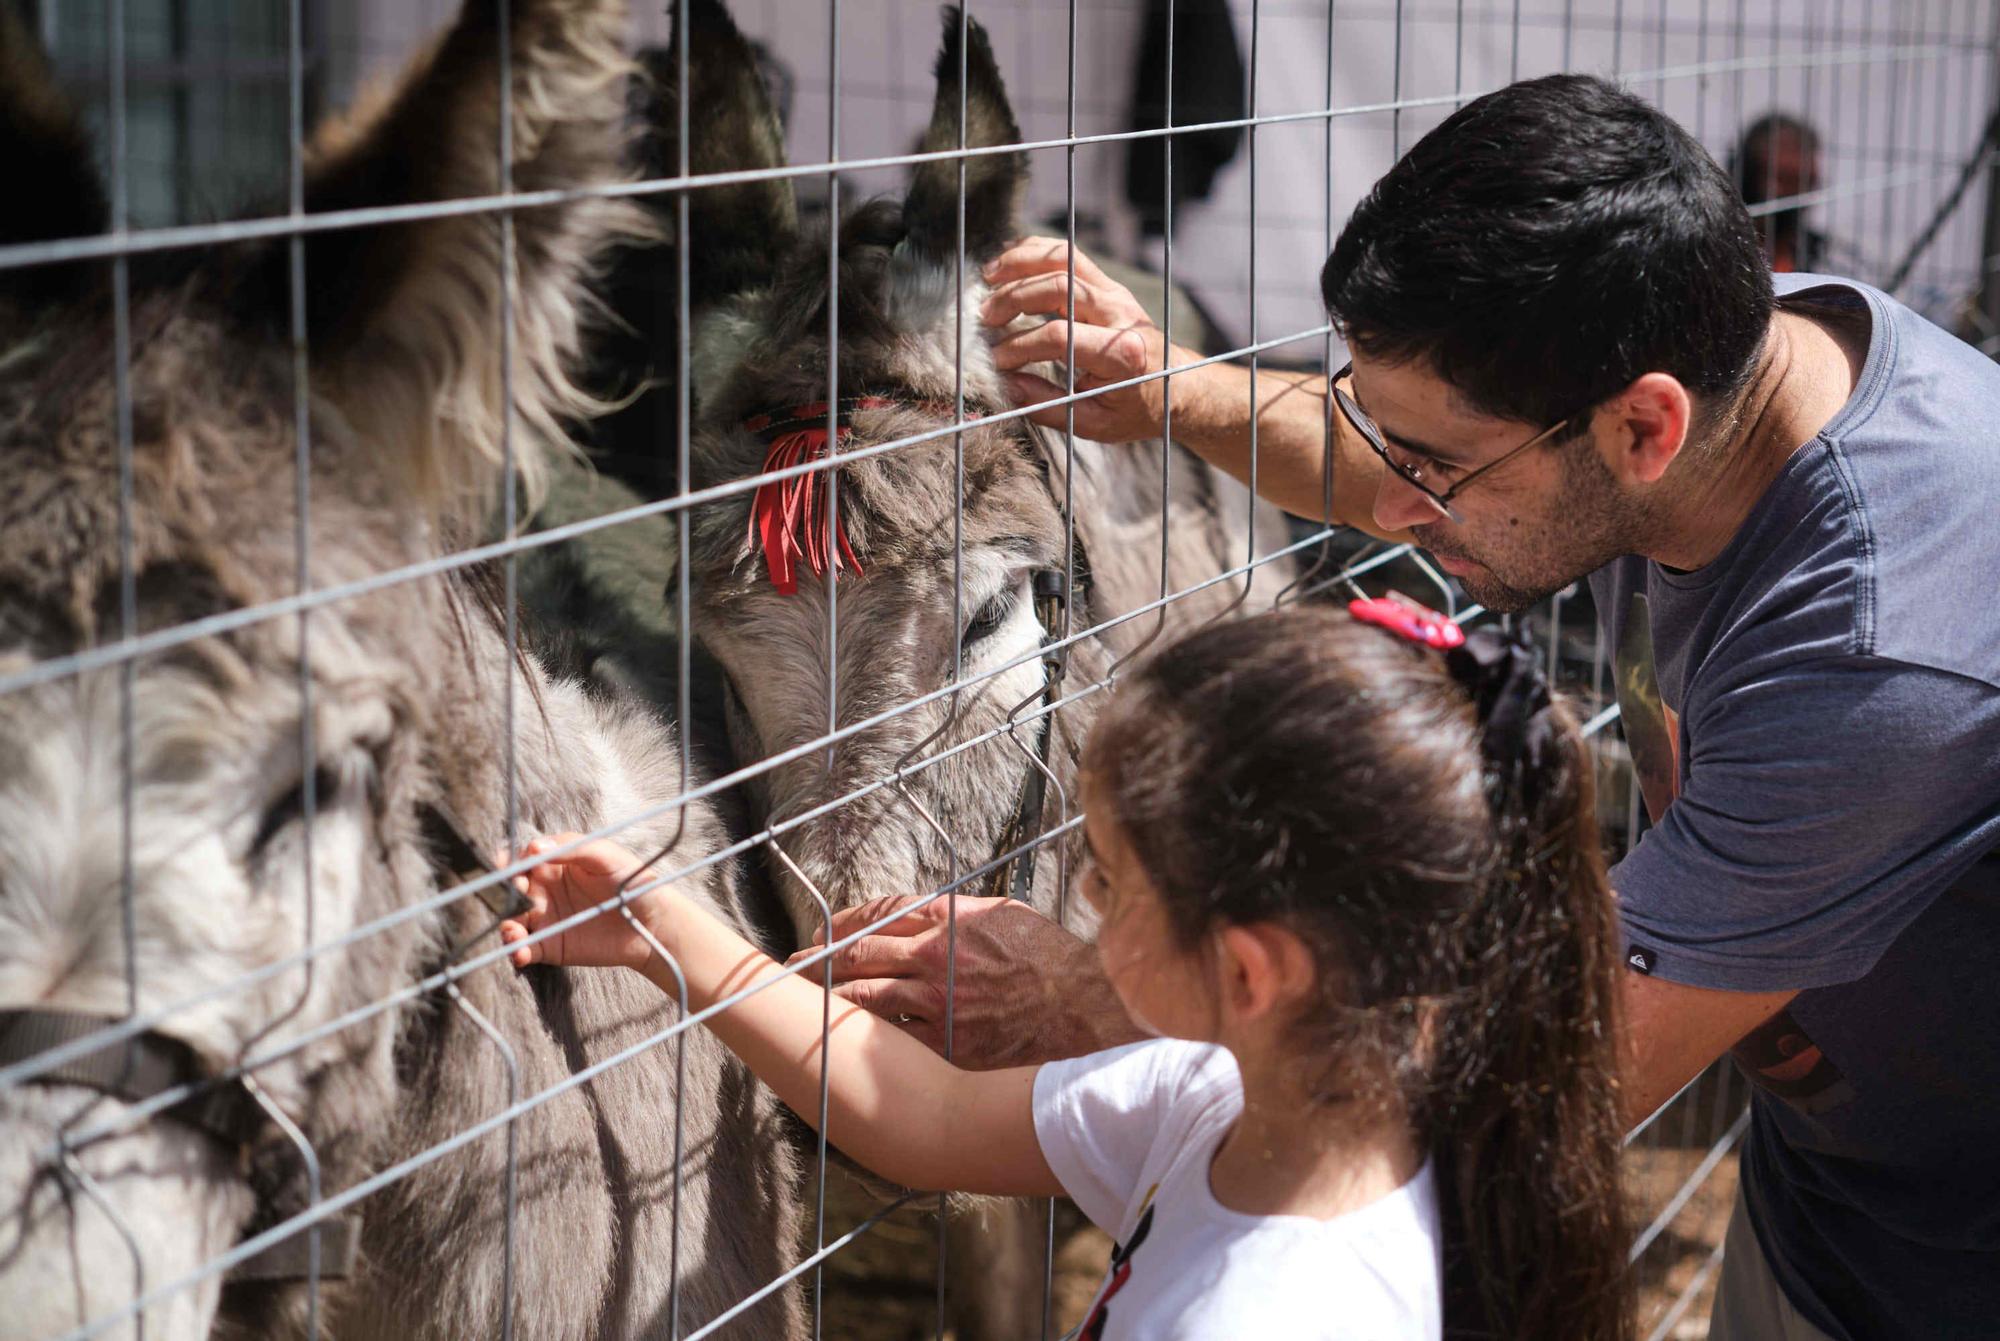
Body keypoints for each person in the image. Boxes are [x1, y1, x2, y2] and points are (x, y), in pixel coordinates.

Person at [809, 73, 2000, 1340]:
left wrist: (1103, 993)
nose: (1398, 508)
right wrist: (1164, 385)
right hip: (1833, 1194)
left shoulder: (1876, 661)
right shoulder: (1737, 351)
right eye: (1395, 441)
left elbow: (1543, 1074)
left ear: (1644, 426)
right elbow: (1396, 453)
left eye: (1433, 468)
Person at [500, 606, 1632, 1340]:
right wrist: (664, 929)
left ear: (1245, 972)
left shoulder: (1269, 1312)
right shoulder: (1236, 1101)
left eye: (1102, 880)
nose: (1068, 908)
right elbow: (924, 1114)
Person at [1732, 112, 1829, 273]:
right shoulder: (1712, 247)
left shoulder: (1820, 257)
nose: (1798, 193)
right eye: (1783, 178)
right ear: (1747, 173)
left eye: (1807, 182)